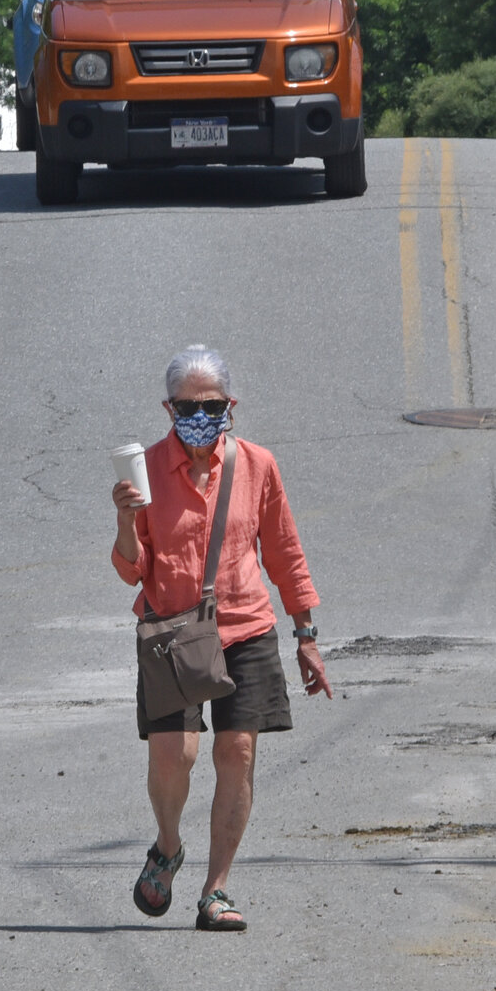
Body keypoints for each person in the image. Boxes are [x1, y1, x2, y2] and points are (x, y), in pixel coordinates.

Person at [111, 345, 332, 933]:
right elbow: (132, 569)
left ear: (230, 405)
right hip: (173, 632)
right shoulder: (147, 470)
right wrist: (124, 519)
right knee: (174, 757)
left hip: (247, 628)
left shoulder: (258, 465)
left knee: (237, 752)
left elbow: (284, 552)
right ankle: (167, 845)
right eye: (188, 405)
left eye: (211, 404)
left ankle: (216, 889)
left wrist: (305, 632)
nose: (200, 415)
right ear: (168, 408)